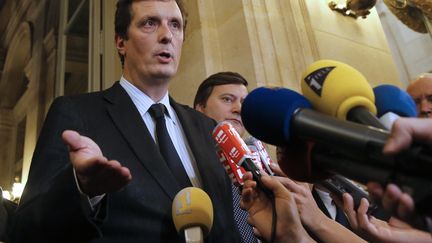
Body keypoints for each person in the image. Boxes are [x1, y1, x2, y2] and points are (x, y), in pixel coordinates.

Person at [9, 0, 240, 242]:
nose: (167, 36)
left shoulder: (206, 127)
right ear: (121, 42)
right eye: (150, 23)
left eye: (175, 25)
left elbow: (226, 229)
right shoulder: (76, 112)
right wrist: (80, 188)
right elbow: (26, 229)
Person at [193, 71, 258, 243]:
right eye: (227, 99)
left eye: (243, 103)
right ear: (200, 109)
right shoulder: (187, 158)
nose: (238, 109)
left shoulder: (258, 162)